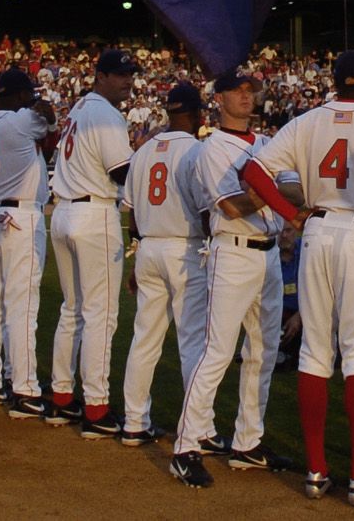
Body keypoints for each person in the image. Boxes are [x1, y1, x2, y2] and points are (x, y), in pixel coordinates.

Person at [240, 49, 354, 506]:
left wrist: (290, 213)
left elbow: (252, 170)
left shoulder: (307, 121)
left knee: (314, 352)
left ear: (335, 82)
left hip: (317, 230)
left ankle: (317, 471)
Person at [170, 71, 292, 486]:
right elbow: (234, 206)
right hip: (233, 250)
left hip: (270, 252)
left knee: (263, 351)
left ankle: (247, 441)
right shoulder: (211, 149)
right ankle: (185, 447)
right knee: (218, 351)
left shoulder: (265, 144)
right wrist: (270, 186)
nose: (246, 95)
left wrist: (268, 188)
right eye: (237, 90)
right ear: (218, 98)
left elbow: (290, 191)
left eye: (250, 89)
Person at [47, 47, 137, 436]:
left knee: (73, 310)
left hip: (65, 210)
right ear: (99, 76)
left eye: (129, 74)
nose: (127, 80)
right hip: (93, 212)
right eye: (119, 74)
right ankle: (96, 408)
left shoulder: (80, 109)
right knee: (101, 314)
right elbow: (122, 172)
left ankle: (62, 397)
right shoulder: (104, 112)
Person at [120, 80, 208, 447]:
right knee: (192, 344)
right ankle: (198, 429)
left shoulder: (143, 151)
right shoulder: (198, 151)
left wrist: (136, 250)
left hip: (149, 248)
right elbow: (206, 214)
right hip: (184, 250)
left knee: (144, 340)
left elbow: (132, 214)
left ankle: (134, 422)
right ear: (197, 114)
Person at [0, 68, 54, 416]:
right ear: (20, 96)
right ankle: (23, 389)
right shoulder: (22, 120)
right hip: (20, 217)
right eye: (28, 93)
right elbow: (49, 122)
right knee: (22, 307)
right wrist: (39, 106)